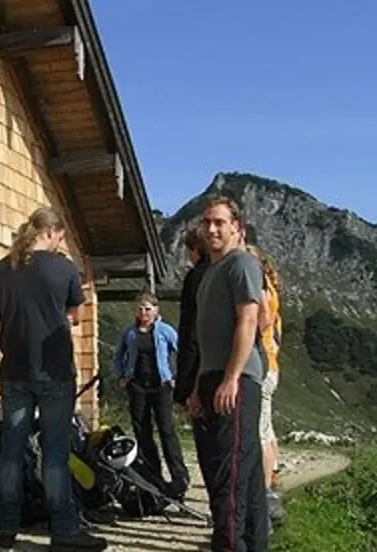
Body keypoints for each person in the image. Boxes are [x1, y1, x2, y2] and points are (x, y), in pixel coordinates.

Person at [0, 207, 107, 552]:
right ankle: (64, 530)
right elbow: (75, 316)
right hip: (53, 371)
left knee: (11, 451)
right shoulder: (64, 268)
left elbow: (3, 311)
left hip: (13, 371)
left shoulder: (1, 269)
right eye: (60, 237)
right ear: (53, 233)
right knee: (54, 453)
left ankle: (6, 529)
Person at [186, 196, 269, 552]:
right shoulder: (211, 271)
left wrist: (231, 378)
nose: (212, 229)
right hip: (211, 376)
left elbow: (251, 320)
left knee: (229, 478)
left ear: (237, 227)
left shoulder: (241, 263)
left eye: (220, 222)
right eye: (207, 222)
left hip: (234, 379)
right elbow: (206, 334)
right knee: (243, 476)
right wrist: (195, 387)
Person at [112, 291, 190, 498]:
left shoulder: (165, 331)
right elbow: (119, 355)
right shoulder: (129, 332)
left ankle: (179, 477)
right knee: (142, 431)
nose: (144, 313)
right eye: (140, 308)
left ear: (156, 310)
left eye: (148, 309)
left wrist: (177, 377)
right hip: (137, 385)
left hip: (161, 385)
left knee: (167, 430)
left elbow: (182, 351)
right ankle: (153, 476)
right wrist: (120, 376)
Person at [246, 244, 286, 527]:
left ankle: (262, 495)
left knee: (259, 434)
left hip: (262, 366)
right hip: (272, 364)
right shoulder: (272, 286)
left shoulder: (260, 288)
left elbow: (261, 323)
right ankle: (270, 485)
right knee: (266, 431)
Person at [174, 226, 211, 405]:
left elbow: (191, 328)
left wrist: (184, 387)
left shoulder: (196, 277)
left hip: (197, 361)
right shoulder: (221, 269)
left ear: (196, 249)